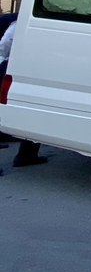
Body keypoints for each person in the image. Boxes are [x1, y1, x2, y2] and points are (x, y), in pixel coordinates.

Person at [0, 12, 45, 168]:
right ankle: (26, 155)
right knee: (33, 112)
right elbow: (4, 45)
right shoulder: (21, 22)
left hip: (22, 69)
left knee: (32, 112)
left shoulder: (24, 21)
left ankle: (27, 155)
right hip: (17, 69)